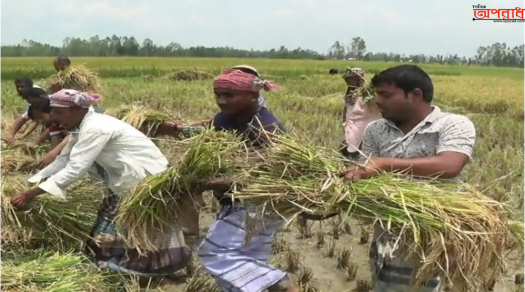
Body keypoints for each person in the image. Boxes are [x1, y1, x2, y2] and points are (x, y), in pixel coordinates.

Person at [10, 89, 192, 278]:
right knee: (113, 224)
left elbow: (75, 168)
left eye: (60, 113)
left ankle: (148, 269)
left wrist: (30, 194)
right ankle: (119, 267)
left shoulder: (95, 127)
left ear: (77, 109)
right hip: (125, 181)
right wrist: (30, 182)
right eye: (54, 112)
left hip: (144, 181)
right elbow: (63, 160)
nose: (55, 119)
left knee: (138, 227)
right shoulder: (81, 127)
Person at [339, 65, 476, 292]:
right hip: (388, 235)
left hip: (433, 238)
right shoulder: (375, 130)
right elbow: (369, 174)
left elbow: (450, 165)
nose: (378, 101)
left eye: (386, 95)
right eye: (377, 94)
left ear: (415, 95)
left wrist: (385, 164)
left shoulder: (453, 124)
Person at [194, 69, 297, 292]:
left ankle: (281, 285)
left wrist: (212, 183)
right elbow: (208, 136)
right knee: (244, 265)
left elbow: (268, 175)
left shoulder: (266, 127)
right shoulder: (224, 120)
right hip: (233, 202)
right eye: (217, 94)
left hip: (258, 204)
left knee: (215, 254)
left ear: (253, 95)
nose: (221, 100)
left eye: (229, 95)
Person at [340, 68, 380, 160]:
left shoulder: (371, 95)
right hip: (354, 130)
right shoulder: (352, 92)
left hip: (366, 130)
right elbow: (347, 110)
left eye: (355, 78)